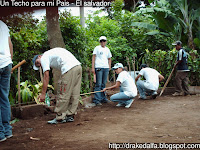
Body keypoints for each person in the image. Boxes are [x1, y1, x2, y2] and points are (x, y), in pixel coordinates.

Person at [32, 47, 82, 124]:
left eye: (37, 63)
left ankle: (60, 117)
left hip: (69, 68)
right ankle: (70, 115)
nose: (40, 65)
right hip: (78, 66)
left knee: (63, 92)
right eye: (38, 66)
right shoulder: (51, 53)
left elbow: (46, 76)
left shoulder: (44, 57)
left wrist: (43, 94)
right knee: (74, 93)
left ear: (39, 57)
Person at [0, 20, 13, 142]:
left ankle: (0, 133)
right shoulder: (3, 24)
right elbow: (10, 44)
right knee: (4, 97)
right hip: (7, 62)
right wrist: (10, 62)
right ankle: (7, 130)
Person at [92, 36, 112, 106]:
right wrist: (93, 67)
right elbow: (93, 57)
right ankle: (97, 99)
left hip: (105, 67)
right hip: (98, 67)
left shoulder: (107, 49)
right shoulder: (97, 48)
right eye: (101, 41)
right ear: (99, 42)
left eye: (104, 41)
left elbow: (109, 58)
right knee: (98, 83)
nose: (102, 42)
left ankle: (103, 98)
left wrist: (109, 66)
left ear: (106, 41)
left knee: (104, 83)